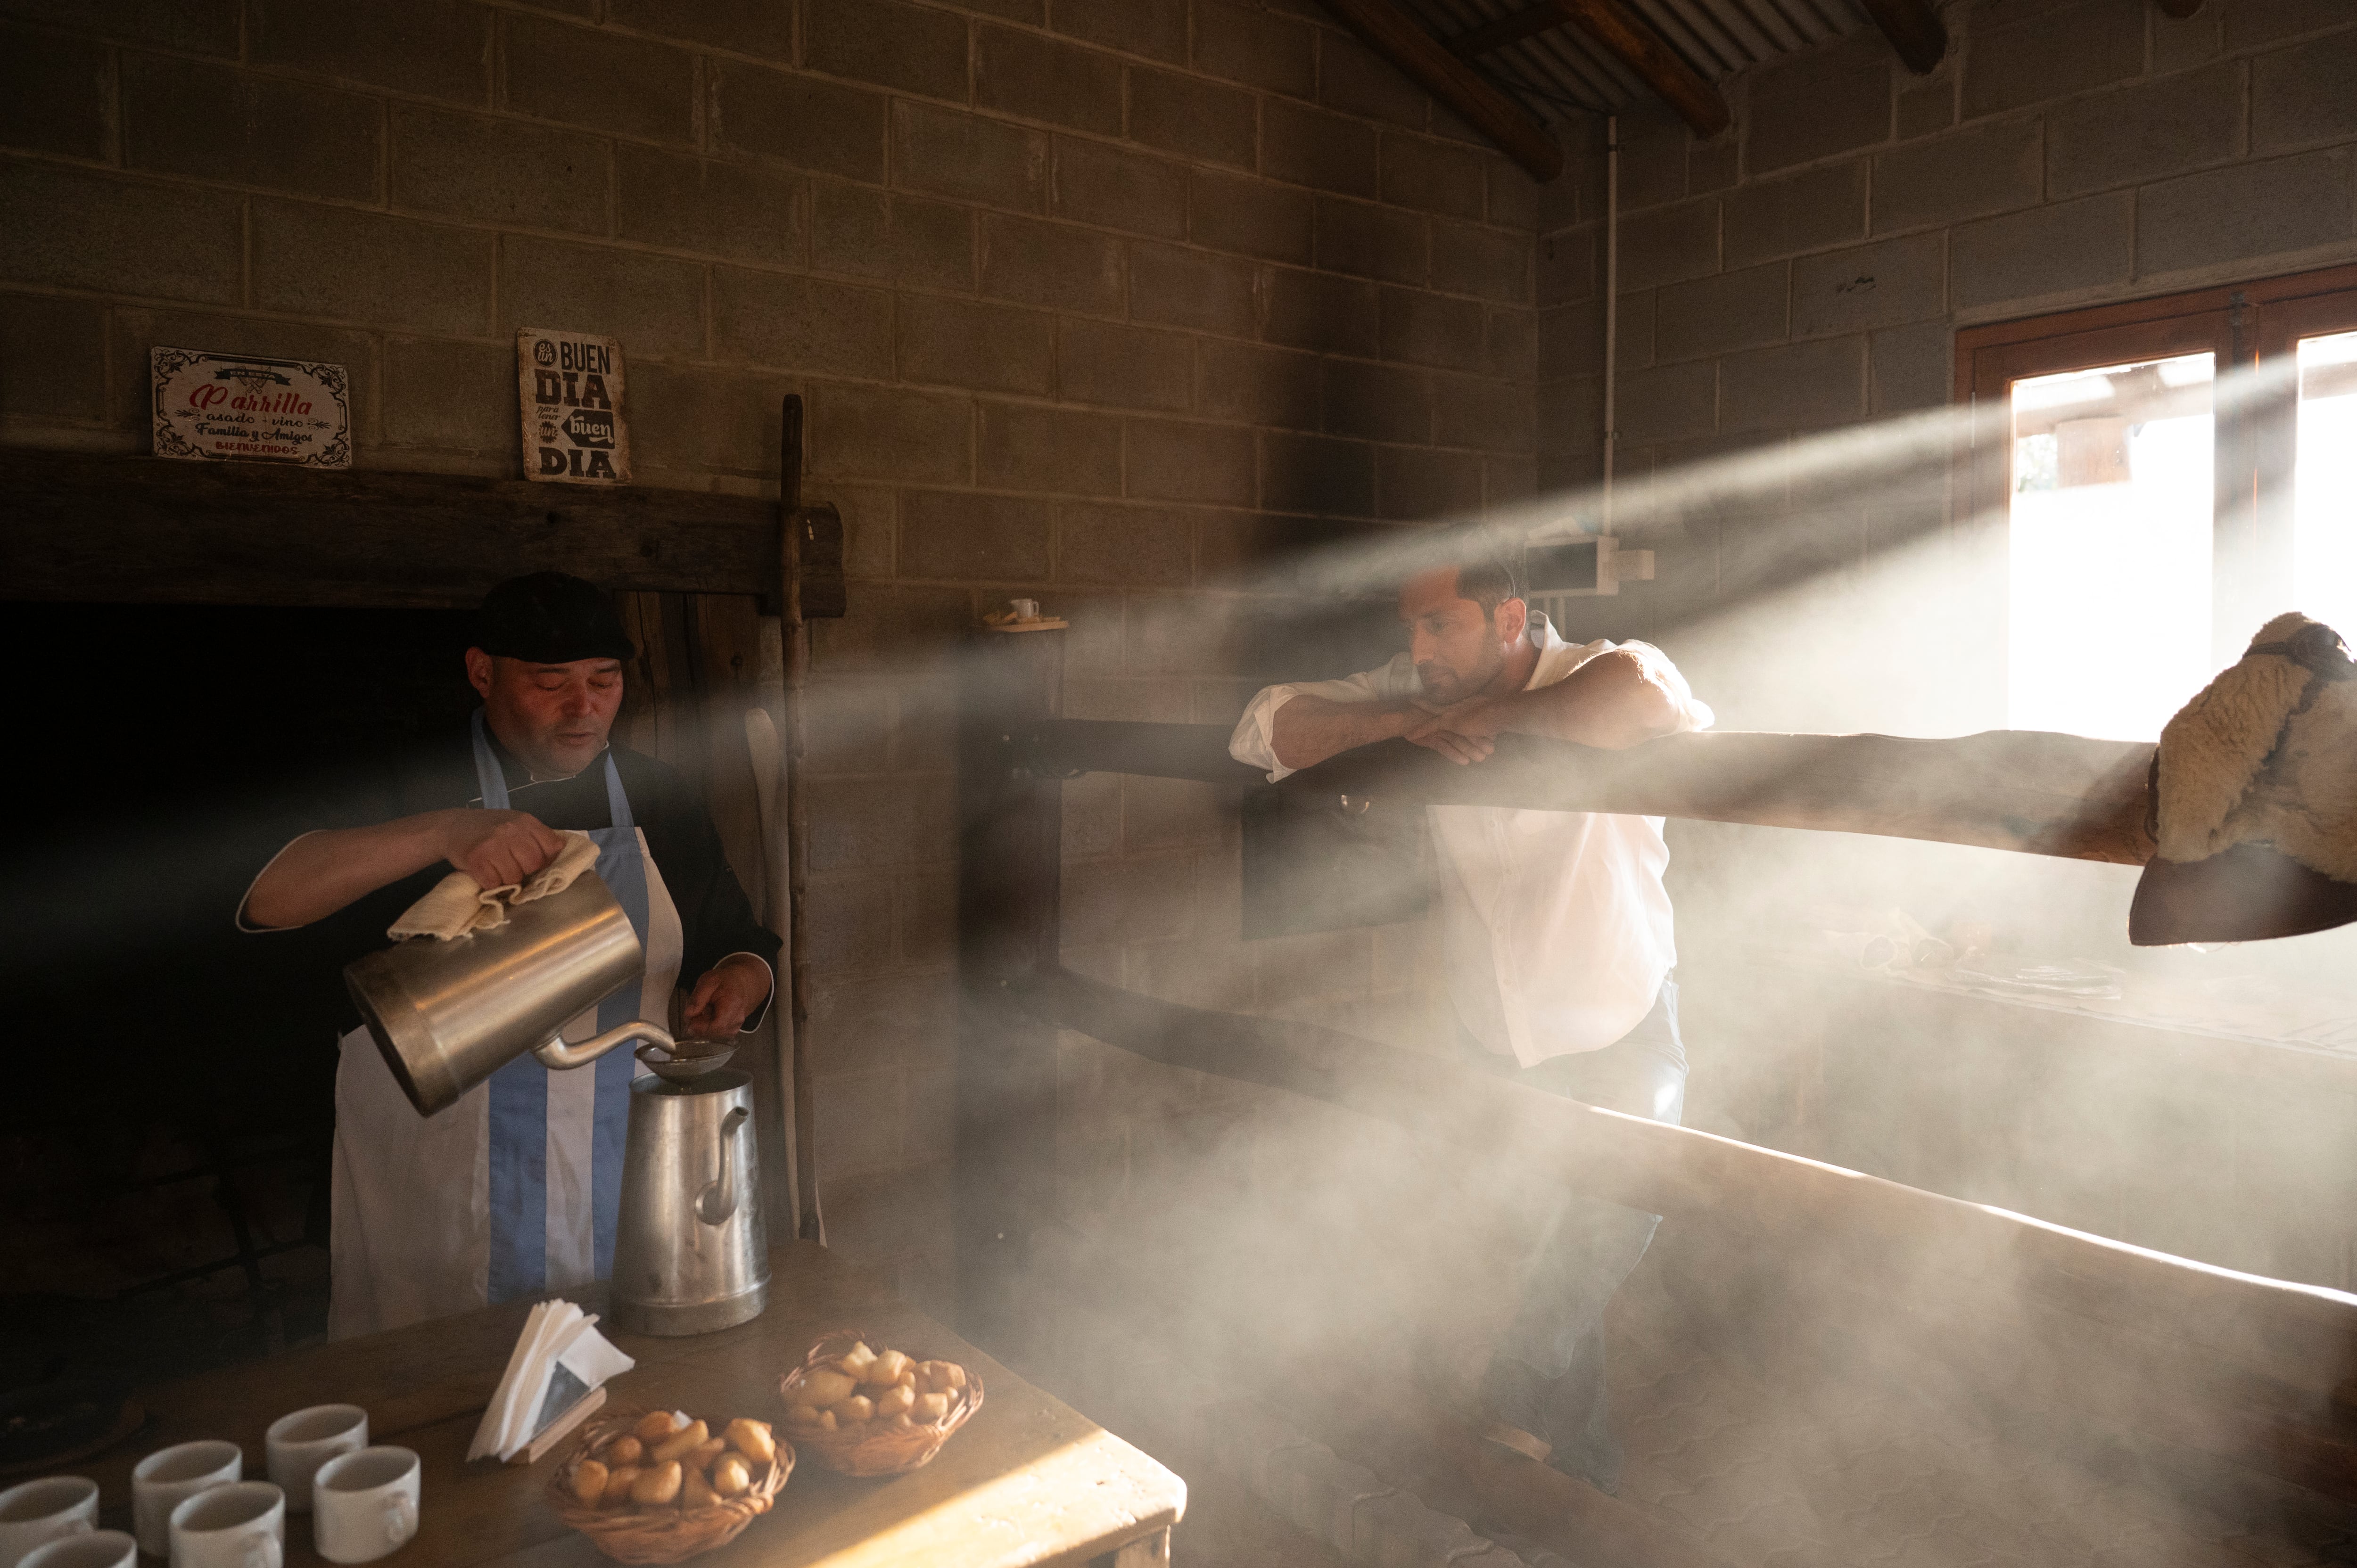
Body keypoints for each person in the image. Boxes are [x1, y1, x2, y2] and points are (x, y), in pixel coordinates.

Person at [1227, 538, 1713, 1493]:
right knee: (1530, 1243)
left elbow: (1648, 692)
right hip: (1491, 1024)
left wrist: (1495, 713)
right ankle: (1569, 1476)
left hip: (1617, 1009)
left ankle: (1511, 1398)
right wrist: (1411, 715)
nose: (1418, 645)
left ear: (1506, 618)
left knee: (1617, 1208)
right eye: (1408, 627)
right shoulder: (1413, 687)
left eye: (1436, 624)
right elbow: (1262, 726)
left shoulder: (1592, 667)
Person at [240, 572, 780, 1338]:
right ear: (482, 673)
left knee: (617, 1365)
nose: (584, 709)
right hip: (442, 1153)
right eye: (550, 683)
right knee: (446, 1370)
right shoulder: (406, 777)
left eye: (604, 682)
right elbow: (268, 897)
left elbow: (739, 935)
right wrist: (439, 836)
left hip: (619, 1149)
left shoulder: (659, 796)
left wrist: (742, 978)